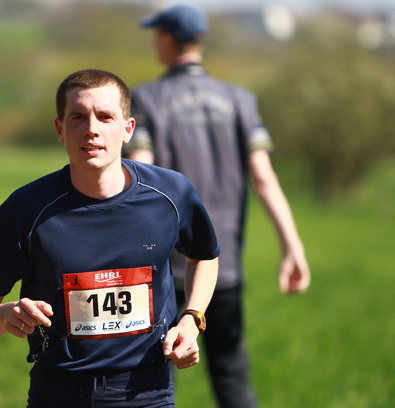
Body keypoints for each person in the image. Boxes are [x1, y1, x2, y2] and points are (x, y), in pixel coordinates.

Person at [0, 69, 220, 408]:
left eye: (105, 117)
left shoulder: (170, 193)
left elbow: (205, 256)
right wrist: (6, 314)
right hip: (59, 392)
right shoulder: (27, 208)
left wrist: (192, 318)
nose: (91, 129)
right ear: (60, 129)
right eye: (78, 117)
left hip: (146, 391)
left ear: (128, 129)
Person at [124, 4, 311, 408]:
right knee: (231, 376)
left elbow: (140, 174)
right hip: (222, 264)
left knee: (149, 383)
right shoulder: (240, 100)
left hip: (163, 265)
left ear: (167, 40)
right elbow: (264, 178)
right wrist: (293, 248)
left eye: (156, 36)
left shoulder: (147, 99)